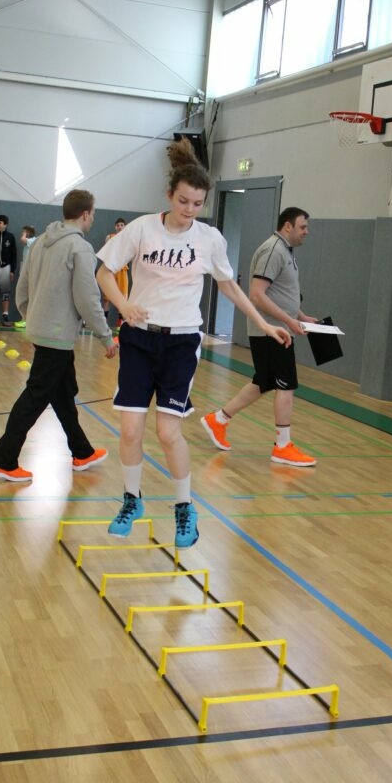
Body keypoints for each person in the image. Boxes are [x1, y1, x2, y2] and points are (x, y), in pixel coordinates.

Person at [96, 139, 291, 548]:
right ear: (170, 195)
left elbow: (231, 288)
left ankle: (185, 507)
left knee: (168, 433)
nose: (189, 209)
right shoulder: (141, 229)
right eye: (183, 201)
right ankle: (131, 500)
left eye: (197, 204)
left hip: (181, 342)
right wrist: (124, 304)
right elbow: (104, 272)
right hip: (139, 338)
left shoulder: (209, 239)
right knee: (130, 429)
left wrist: (264, 323)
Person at [0, 189, 117, 483]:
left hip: (41, 329)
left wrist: (33, 317)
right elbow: (87, 298)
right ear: (85, 214)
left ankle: (82, 452)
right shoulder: (80, 248)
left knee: (62, 393)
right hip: (57, 335)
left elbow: (22, 288)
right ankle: (3, 459)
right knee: (35, 396)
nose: (93, 219)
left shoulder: (40, 242)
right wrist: (105, 336)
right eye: (93, 214)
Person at [201, 207, 319, 467]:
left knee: (263, 382)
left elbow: (282, 293)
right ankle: (283, 446)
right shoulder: (273, 250)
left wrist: (300, 316)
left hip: (279, 328)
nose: (306, 232)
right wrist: (288, 322)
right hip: (272, 332)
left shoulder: (286, 251)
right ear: (287, 226)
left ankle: (218, 419)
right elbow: (257, 293)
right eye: (303, 227)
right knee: (286, 386)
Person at [101, 217, 128, 325]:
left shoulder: (128, 237)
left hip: (122, 269)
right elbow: (107, 251)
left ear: (125, 226)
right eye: (118, 225)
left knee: (123, 296)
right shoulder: (110, 237)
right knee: (107, 297)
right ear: (115, 227)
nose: (120, 227)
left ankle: (120, 323)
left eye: (122, 225)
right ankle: (104, 322)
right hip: (111, 269)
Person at [14, 225, 36, 328]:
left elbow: (22, 239)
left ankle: (27, 320)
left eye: (23, 232)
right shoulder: (30, 242)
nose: (21, 233)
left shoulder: (33, 241)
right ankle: (25, 319)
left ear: (28, 233)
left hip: (30, 274)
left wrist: (24, 234)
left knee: (28, 297)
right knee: (24, 297)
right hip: (25, 272)